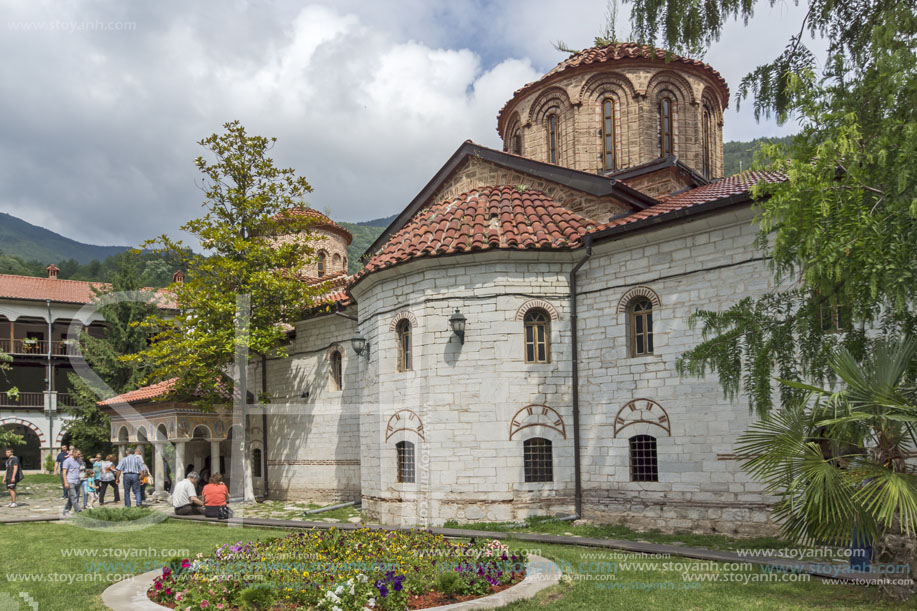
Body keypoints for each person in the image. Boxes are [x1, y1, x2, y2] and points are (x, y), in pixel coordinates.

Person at [61, 448, 83, 516]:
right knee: (74, 496)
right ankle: (78, 511)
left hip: (77, 481)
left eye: (80, 454)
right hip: (70, 481)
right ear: (73, 453)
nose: (79, 455)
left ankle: (66, 510)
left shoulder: (79, 461)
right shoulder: (67, 461)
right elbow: (64, 472)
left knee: (72, 497)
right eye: (78, 454)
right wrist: (65, 482)